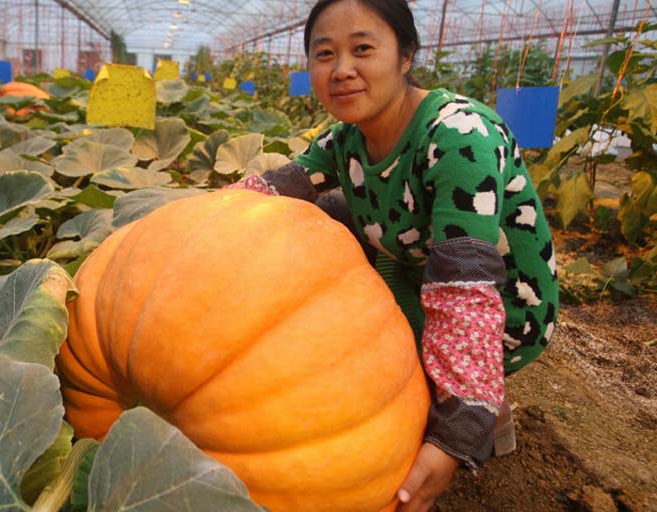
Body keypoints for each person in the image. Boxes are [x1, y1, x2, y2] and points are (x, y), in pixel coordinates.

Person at [228, 0, 559, 509]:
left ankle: (485, 405)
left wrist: (460, 423)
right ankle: (459, 388)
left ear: (405, 56)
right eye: (324, 54)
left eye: (363, 49)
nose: (342, 70)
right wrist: (194, 221)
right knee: (324, 215)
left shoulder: (458, 136)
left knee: (387, 374)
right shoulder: (346, 139)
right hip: (417, 268)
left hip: (502, 306)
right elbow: (276, 188)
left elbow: (466, 293)